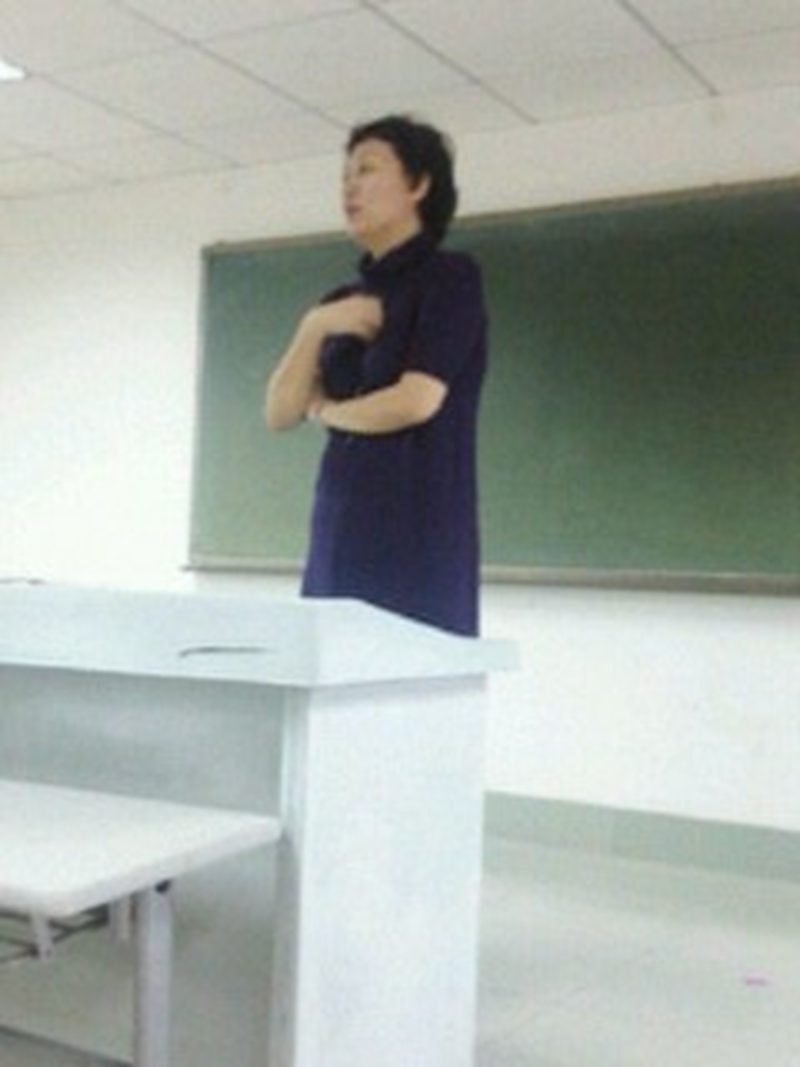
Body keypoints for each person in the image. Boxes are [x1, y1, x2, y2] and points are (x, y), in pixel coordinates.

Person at [264, 115, 487, 636]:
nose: (349, 187)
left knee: (407, 669)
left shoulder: (451, 278)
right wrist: (313, 327)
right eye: (345, 175)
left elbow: (416, 400)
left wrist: (330, 412)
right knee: (328, 664)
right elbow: (279, 413)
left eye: (366, 170)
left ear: (419, 184)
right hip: (340, 524)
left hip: (418, 530)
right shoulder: (340, 302)